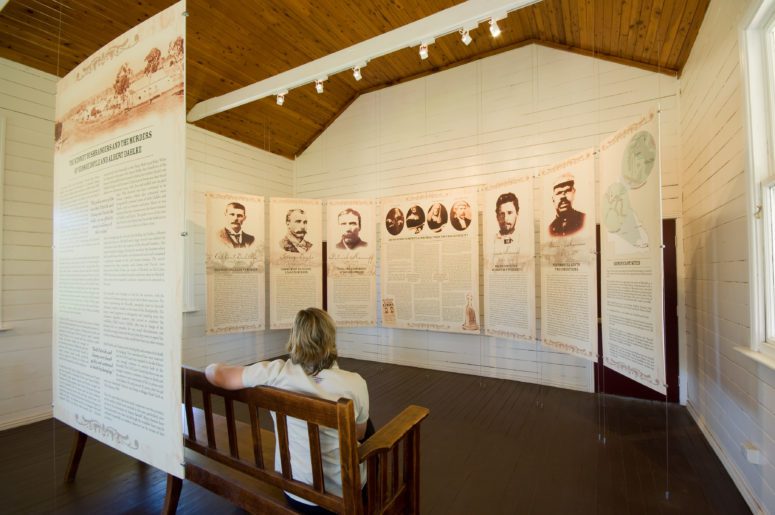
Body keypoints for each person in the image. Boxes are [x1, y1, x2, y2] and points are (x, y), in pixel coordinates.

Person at [205, 308, 371, 513]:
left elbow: (219, 376)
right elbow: (359, 434)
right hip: (343, 497)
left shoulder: (276, 373)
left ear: (294, 339)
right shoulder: (354, 383)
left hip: (296, 493)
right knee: (367, 425)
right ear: (331, 339)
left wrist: (212, 366)